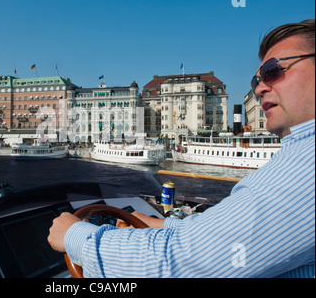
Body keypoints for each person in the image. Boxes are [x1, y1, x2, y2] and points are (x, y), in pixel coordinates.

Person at [48, 19, 315, 277]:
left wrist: (75, 236)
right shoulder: (297, 156)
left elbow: (179, 264)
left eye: (272, 71)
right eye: (256, 81)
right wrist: (168, 225)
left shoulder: (305, 168)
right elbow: (214, 240)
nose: (259, 90)